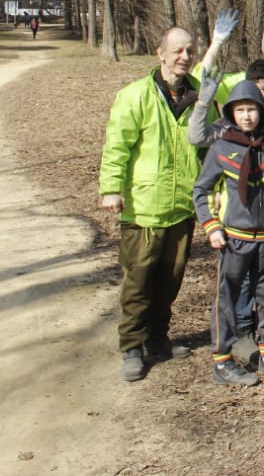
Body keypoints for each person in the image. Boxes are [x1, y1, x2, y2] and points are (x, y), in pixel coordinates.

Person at [98, 26, 205, 382]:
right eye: (176, 51)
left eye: (189, 51)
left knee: (170, 281)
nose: (184, 57)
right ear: (160, 54)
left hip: (181, 208)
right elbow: (117, 146)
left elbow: (210, 149)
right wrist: (112, 188)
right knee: (139, 282)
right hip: (143, 210)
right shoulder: (135, 96)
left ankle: (158, 340)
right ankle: (132, 345)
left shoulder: (201, 97)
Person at [190, 59, 264, 362]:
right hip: (234, 236)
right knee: (227, 298)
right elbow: (200, 190)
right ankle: (223, 358)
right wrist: (211, 226)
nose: (247, 115)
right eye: (239, 110)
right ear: (230, 113)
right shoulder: (221, 147)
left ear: (262, 111)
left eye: (252, 109)